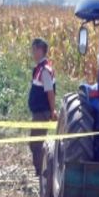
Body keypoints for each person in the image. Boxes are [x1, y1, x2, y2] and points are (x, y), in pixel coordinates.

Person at [28, 38, 56, 175]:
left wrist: (52, 111)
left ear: (40, 50)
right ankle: (40, 171)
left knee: (36, 144)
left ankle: (42, 173)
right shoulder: (39, 69)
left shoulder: (45, 70)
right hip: (38, 113)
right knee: (35, 143)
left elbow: (50, 92)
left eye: (34, 50)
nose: (32, 53)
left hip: (41, 113)